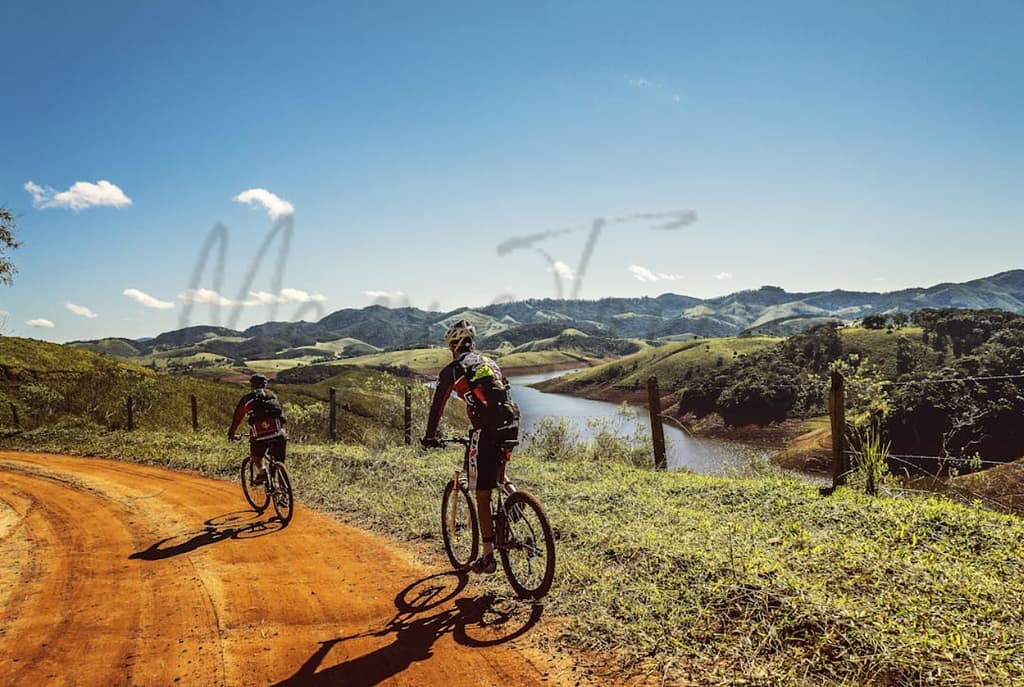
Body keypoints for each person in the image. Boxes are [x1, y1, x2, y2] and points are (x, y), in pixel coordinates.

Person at [421, 319, 519, 574]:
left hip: (484, 430)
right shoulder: (489, 362)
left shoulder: (453, 370)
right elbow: (505, 391)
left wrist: (430, 436)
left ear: (452, 346)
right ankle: (515, 498)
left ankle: (487, 556)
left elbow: (437, 407)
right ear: (471, 344)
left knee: (482, 493)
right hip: (510, 423)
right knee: (497, 474)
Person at [228, 373, 287, 485]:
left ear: (252, 385)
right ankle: (284, 494)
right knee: (279, 461)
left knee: (255, 456)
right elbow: (281, 415)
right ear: (265, 385)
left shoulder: (246, 399)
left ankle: (262, 472)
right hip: (279, 433)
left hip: (260, 436)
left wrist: (232, 433)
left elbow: (237, 417)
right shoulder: (272, 395)